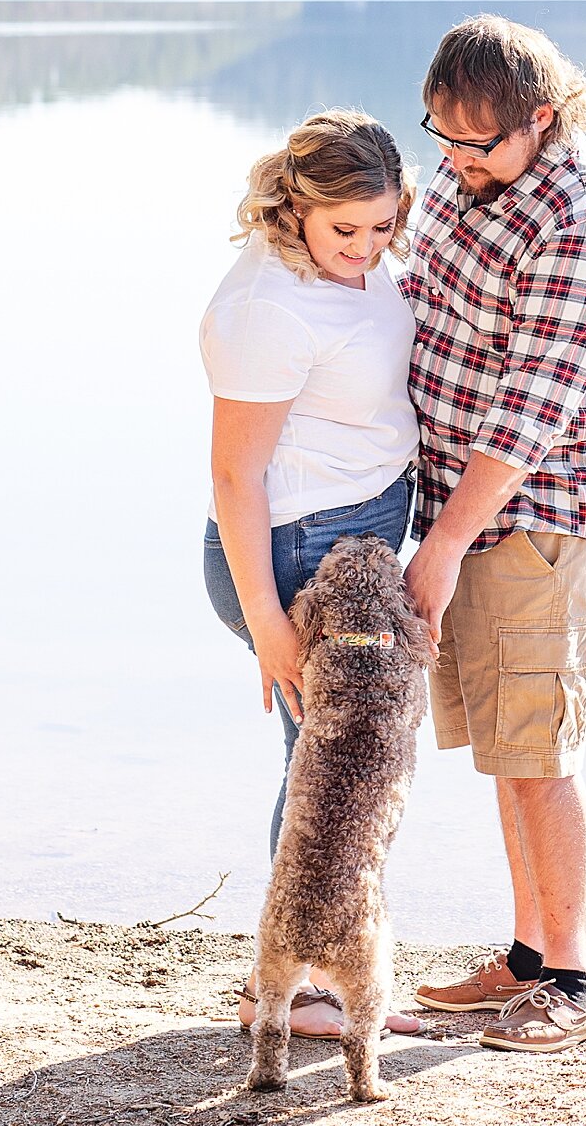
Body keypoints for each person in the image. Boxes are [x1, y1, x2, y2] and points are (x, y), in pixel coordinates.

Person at [401, 16, 586, 1053]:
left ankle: (576, 977)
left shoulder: (584, 219)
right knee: (507, 751)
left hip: (536, 518)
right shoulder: (478, 177)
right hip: (460, 510)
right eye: (443, 139)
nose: (455, 162)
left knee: (542, 750)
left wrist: (446, 543)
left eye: (476, 144)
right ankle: (525, 958)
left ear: (539, 119)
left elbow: (529, 411)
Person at [200, 108, 426, 1039]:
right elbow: (234, 475)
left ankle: (305, 983)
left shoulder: (343, 266)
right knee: (329, 776)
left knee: (338, 772)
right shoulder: (267, 307)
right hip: (293, 554)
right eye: (347, 229)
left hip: (353, 537)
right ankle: (294, 991)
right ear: (292, 208)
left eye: (384, 226)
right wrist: (269, 623)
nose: (368, 248)